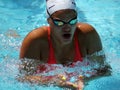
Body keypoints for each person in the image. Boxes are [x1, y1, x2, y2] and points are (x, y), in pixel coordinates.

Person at [18, 0, 111, 90]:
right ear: (48, 20)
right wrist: (53, 81)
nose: (67, 27)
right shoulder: (36, 40)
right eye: (59, 22)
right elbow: (23, 78)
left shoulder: (87, 35)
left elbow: (105, 70)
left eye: (72, 21)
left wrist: (86, 79)